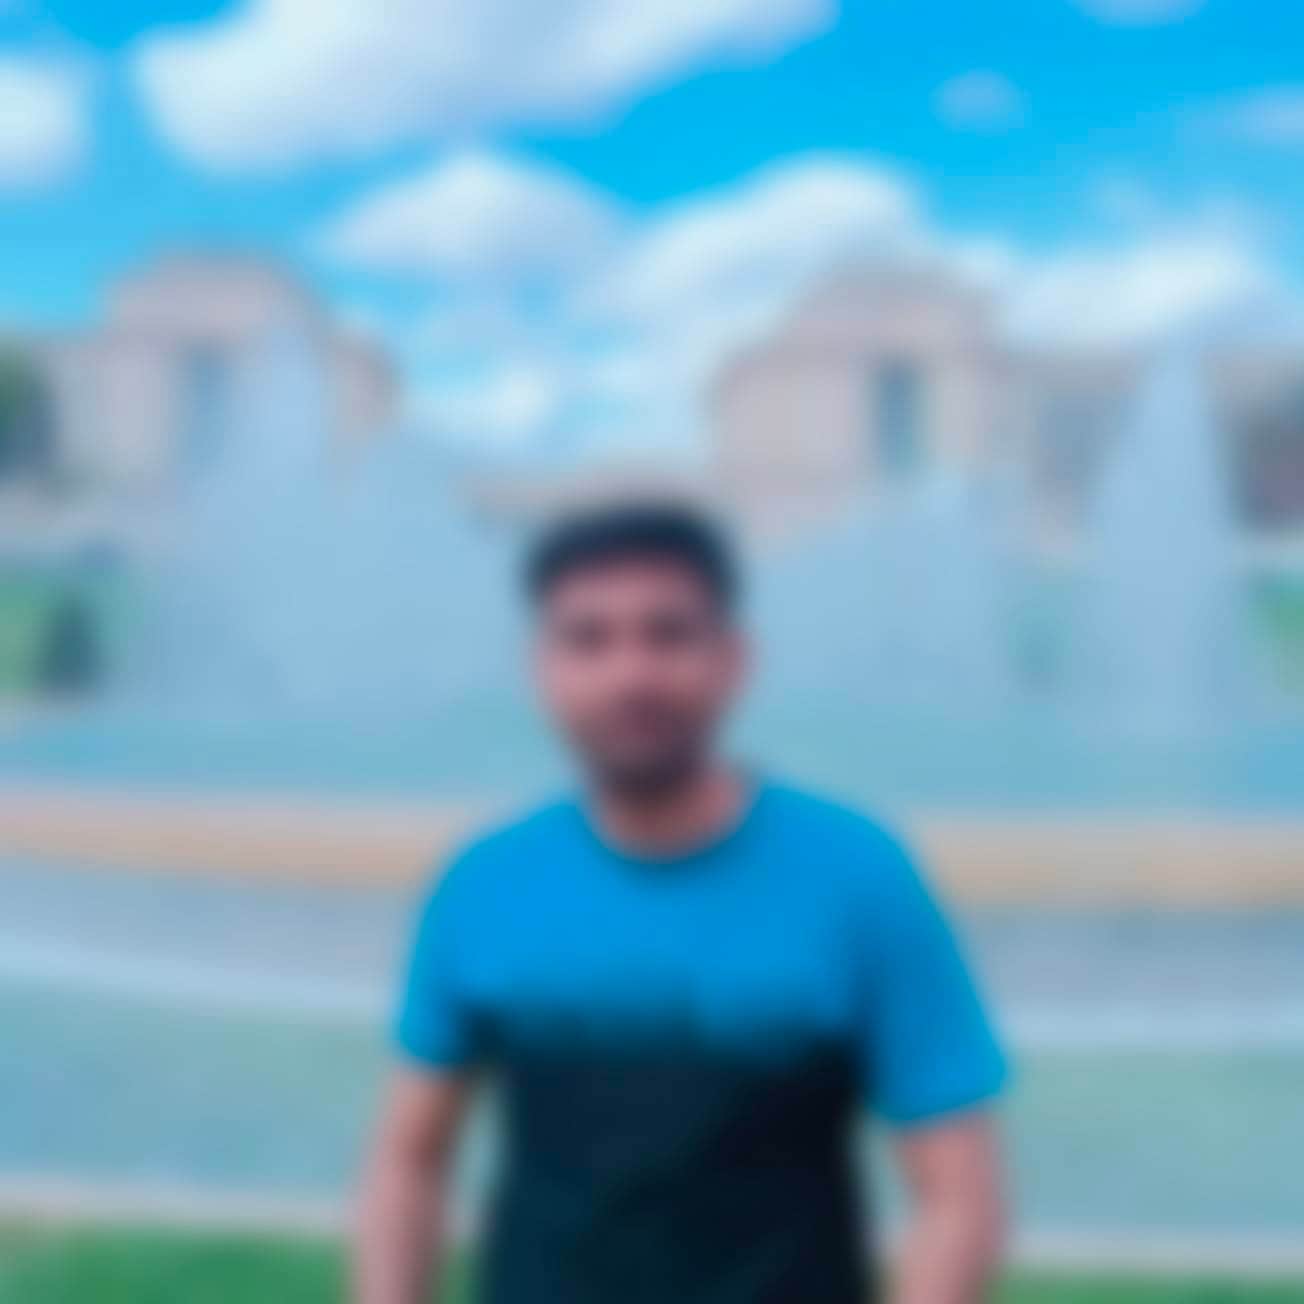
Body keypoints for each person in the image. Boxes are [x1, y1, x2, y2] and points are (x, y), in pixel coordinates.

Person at [355, 500, 1008, 1304]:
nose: (630, 675)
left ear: (733, 658)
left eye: (667, 634)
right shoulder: (484, 884)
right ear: (541, 668)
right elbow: (409, 1160)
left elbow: (956, 1197)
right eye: (588, 639)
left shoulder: (858, 877)